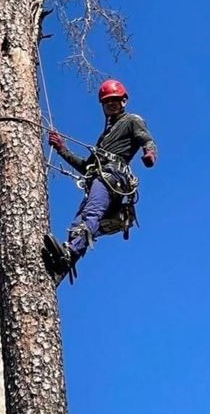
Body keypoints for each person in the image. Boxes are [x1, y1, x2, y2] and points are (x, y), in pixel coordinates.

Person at [43, 79, 157, 282]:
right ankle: (62, 266)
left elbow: (146, 139)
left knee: (91, 214)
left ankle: (69, 253)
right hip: (100, 178)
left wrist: (150, 153)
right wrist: (62, 149)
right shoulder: (104, 139)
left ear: (123, 101)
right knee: (77, 224)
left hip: (112, 178)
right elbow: (86, 167)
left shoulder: (132, 120)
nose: (110, 104)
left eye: (114, 100)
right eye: (107, 101)